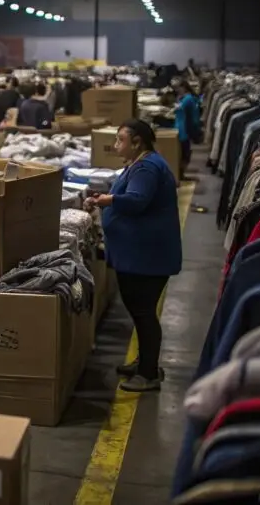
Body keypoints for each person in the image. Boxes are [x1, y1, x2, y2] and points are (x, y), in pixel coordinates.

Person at [84, 119, 182, 392]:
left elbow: (137, 201)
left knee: (143, 313)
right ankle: (144, 362)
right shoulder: (142, 164)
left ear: (137, 141)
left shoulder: (148, 167)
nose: (116, 146)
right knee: (140, 312)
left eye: (120, 140)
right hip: (139, 255)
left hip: (147, 257)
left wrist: (107, 201)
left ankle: (149, 373)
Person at [174, 82, 201, 181]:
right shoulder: (184, 98)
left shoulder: (188, 99)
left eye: (179, 88)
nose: (177, 90)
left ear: (184, 87)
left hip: (183, 130)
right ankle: (180, 173)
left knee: (185, 153)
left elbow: (194, 117)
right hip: (180, 128)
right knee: (183, 152)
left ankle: (181, 173)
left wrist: (196, 130)